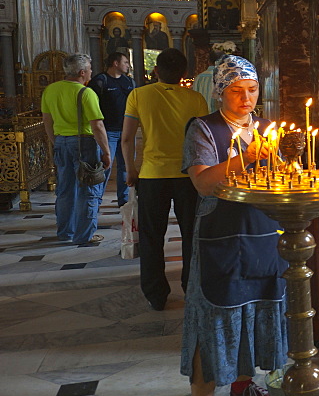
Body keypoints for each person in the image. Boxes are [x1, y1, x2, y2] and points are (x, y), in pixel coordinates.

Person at [181, 56, 288, 396]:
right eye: (237, 90)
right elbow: (204, 184)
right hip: (220, 237)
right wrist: (247, 156)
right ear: (220, 91)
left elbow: (275, 174)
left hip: (261, 233)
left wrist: (274, 162)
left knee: (256, 311)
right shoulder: (204, 129)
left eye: (253, 90)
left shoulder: (263, 129)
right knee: (214, 319)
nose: (247, 98)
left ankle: (246, 384)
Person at [121, 49, 208, 311]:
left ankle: (156, 295)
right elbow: (202, 140)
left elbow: (126, 138)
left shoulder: (139, 95)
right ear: (184, 73)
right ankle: (191, 289)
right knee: (191, 235)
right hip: (188, 176)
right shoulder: (196, 99)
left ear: (156, 70)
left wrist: (130, 170)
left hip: (152, 175)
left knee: (151, 237)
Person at [40, 54, 111, 245]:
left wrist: (56, 142)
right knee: (88, 189)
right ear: (82, 72)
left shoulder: (51, 90)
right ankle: (84, 235)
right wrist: (106, 151)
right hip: (84, 144)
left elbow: (47, 120)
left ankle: (65, 232)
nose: (91, 72)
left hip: (61, 142)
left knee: (64, 190)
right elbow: (97, 126)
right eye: (89, 69)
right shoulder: (86, 93)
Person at [87, 51, 134, 207]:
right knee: (105, 167)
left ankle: (124, 201)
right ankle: (96, 200)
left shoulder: (129, 81)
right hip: (108, 131)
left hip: (126, 131)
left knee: (126, 166)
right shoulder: (100, 81)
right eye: (125, 62)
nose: (128, 65)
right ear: (116, 63)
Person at [191, 48, 225, 114]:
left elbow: (194, 100)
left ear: (208, 61)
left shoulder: (199, 78)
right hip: (219, 118)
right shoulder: (225, 78)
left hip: (202, 118)